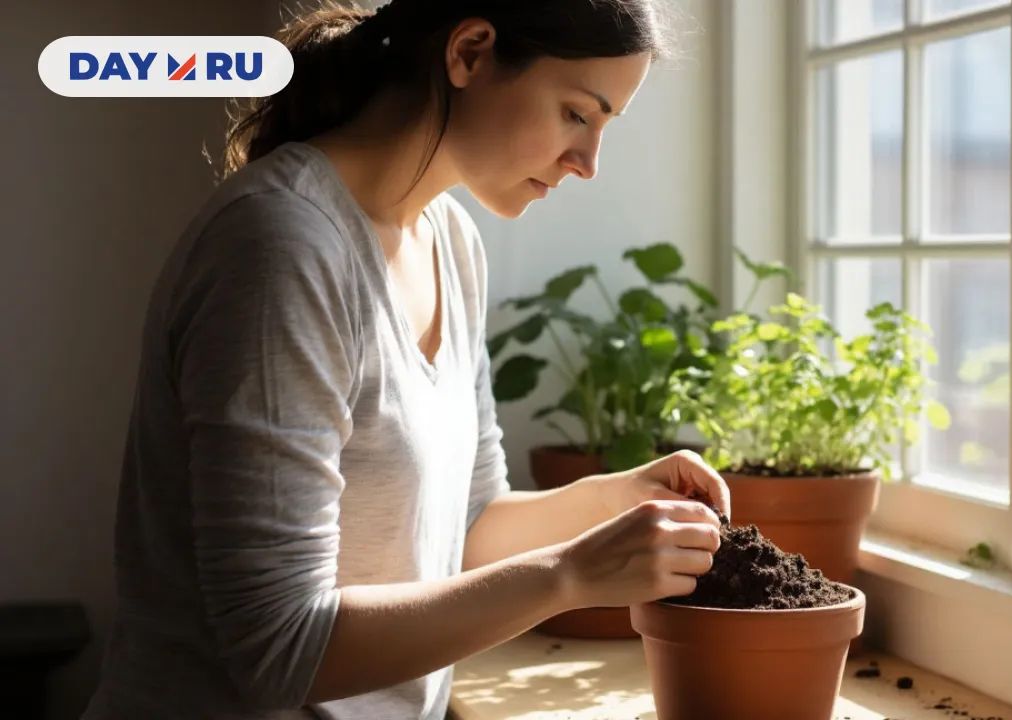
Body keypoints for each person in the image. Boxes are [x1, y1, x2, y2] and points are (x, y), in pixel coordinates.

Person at [82, 1, 731, 718]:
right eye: (578, 114)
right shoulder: (283, 247)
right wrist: (570, 577)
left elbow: (469, 525)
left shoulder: (450, 243)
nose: (587, 164)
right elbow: (278, 649)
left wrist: (613, 500)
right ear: (471, 53)